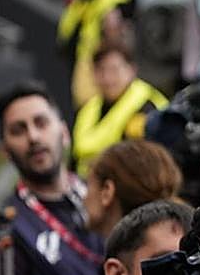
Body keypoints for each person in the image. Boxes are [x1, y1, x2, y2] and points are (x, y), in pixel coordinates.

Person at [0, 82, 105, 275]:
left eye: (41, 123)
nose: (33, 137)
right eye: (18, 130)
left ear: (64, 132)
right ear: (5, 150)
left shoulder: (107, 196)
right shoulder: (1, 233)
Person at [72, 43, 169, 176]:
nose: (107, 78)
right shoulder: (90, 107)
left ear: (131, 70)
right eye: (101, 70)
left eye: (114, 70)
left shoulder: (146, 107)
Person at [57, 0, 133, 108]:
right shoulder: (81, 2)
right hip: (84, 63)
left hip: (103, 61)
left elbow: (117, 24)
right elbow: (65, 34)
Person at [83, 139, 183, 240]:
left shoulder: (125, 254)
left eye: (88, 186)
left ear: (107, 191)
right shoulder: (179, 247)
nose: (84, 199)